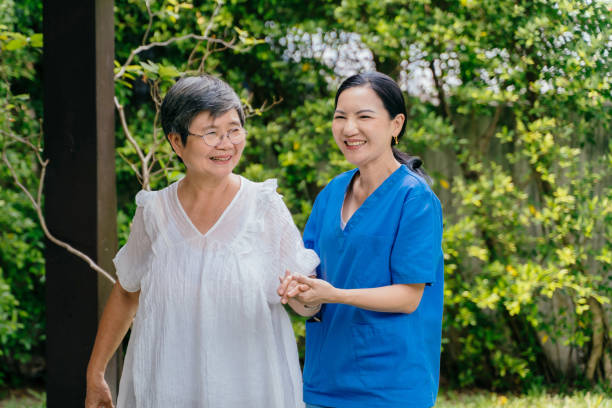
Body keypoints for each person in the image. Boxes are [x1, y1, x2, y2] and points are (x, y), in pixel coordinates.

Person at [85, 75, 319, 408]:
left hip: (249, 392)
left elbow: (307, 301)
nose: (226, 144)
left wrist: (304, 296)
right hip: (166, 389)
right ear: (177, 142)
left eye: (234, 129)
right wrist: (95, 374)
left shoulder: (264, 207)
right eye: (211, 133)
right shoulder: (154, 213)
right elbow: (126, 291)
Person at [278, 72, 444, 408]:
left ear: (396, 124)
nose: (349, 128)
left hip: (390, 385)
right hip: (324, 380)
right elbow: (314, 291)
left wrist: (334, 294)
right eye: (340, 117)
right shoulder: (330, 195)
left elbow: (408, 297)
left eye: (364, 116)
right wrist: (297, 295)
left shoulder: (415, 199)